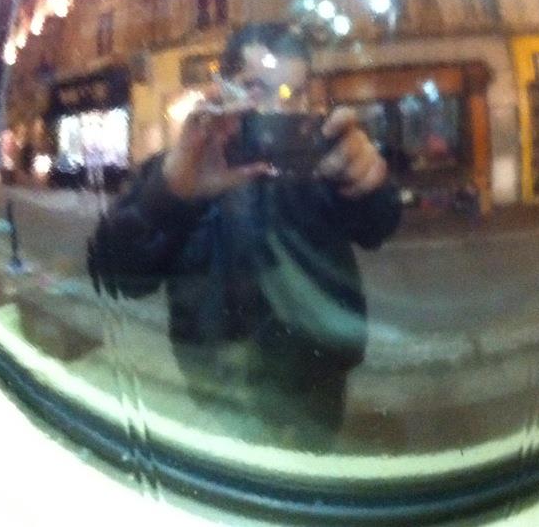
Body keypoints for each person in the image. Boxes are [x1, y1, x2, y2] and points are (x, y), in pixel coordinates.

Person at [90, 22, 401, 449]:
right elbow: (115, 276)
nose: (276, 108)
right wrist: (169, 193)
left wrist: (372, 183)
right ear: (223, 88)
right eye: (256, 88)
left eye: (293, 93)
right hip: (220, 384)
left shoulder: (319, 165)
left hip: (317, 378)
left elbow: (379, 227)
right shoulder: (181, 168)